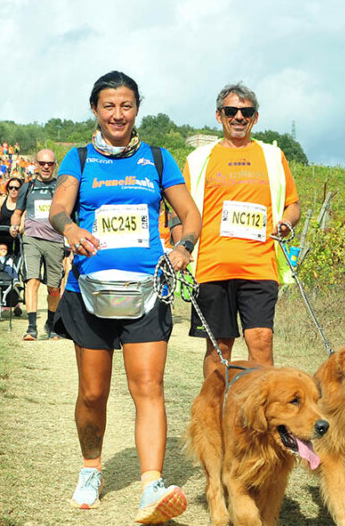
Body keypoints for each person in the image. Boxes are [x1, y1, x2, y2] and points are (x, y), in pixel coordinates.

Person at [48, 71, 202, 523]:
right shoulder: (79, 158)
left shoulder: (157, 159)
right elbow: (58, 209)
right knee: (93, 392)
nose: (118, 115)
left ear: (137, 108)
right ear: (95, 109)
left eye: (126, 106)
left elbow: (191, 214)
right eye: (109, 106)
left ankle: (152, 484)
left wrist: (183, 247)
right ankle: (91, 469)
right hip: (89, 292)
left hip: (147, 291)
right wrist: (71, 230)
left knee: (148, 388)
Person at [182, 82, 300, 378]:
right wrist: (181, 247)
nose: (238, 117)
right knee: (219, 348)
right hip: (211, 267)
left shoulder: (273, 156)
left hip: (260, 266)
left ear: (255, 117)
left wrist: (287, 223)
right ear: (219, 115)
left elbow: (293, 205)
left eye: (246, 112)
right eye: (231, 111)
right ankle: (217, 405)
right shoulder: (198, 160)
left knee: (261, 340)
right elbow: (180, 210)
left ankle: (262, 405)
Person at [10, 149, 65, 341]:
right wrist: (14, 226)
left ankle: (51, 324)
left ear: (55, 165)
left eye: (50, 163)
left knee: (53, 288)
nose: (46, 167)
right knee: (31, 281)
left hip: (55, 241)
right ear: (36, 164)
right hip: (31, 239)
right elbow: (17, 213)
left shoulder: (61, 187)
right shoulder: (28, 187)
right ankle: (31, 327)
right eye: (42, 163)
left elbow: (70, 213)